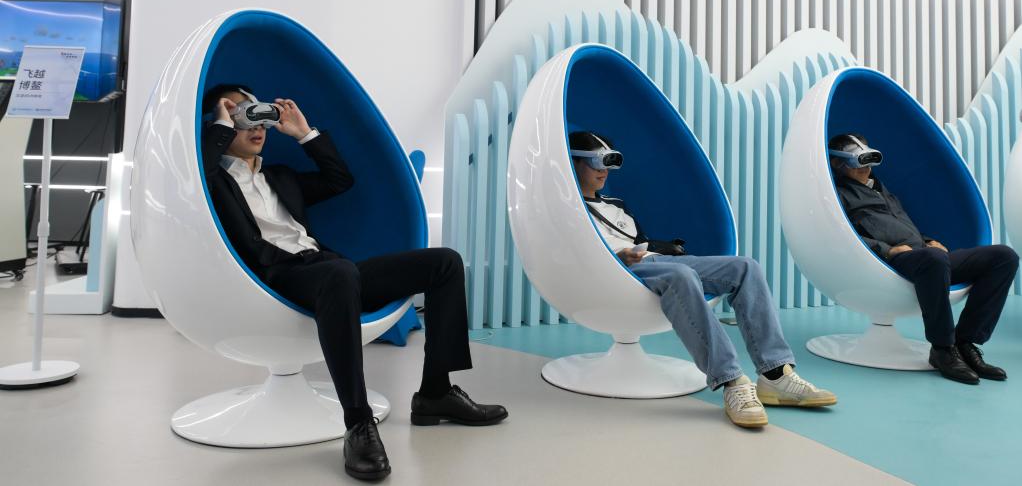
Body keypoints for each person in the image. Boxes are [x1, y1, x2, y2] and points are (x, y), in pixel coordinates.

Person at [201, 84, 507, 480]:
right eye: (243, 116)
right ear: (221, 124)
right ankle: (358, 422)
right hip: (278, 275)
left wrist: (304, 134)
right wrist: (221, 125)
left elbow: (339, 179)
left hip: (327, 269)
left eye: (260, 115)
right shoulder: (212, 180)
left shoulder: (281, 177)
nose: (256, 125)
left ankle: (435, 392)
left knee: (445, 262)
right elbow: (199, 175)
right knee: (341, 272)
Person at [569, 131, 836, 428]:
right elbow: (578, 254)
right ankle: (731, 381)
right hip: (618, 271)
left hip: (653, 261)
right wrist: (619, 257)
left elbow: (640, 241)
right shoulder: (570, 209)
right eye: (596, 162)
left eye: (610, 162)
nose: (604, 171)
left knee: (745, 267)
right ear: (574, 162)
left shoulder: (617, 205)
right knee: (682, 275)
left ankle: (775, 375)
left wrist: (658, 247)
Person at [829, 133, 1019, 384]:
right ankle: (942, 349)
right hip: (891, 261)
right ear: (838, 163)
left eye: (869, 160)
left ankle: (964, 343)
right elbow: (840, 235)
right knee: (934, 260)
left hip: (926, 256)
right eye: (858, 161)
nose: (866, 167)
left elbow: (903, 224)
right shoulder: (838, 194)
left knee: (1004, 257)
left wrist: (928, 241)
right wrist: (887, 250)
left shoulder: (881, 188)